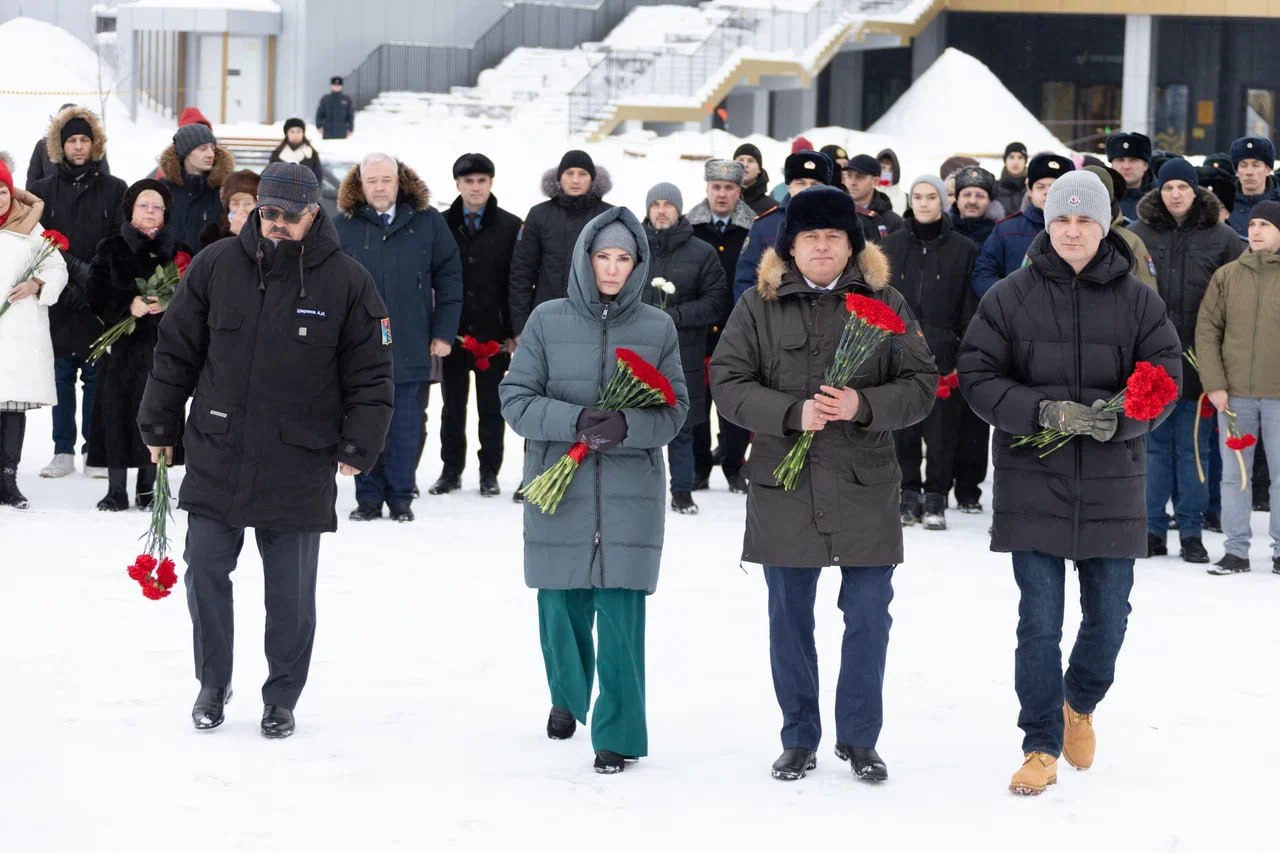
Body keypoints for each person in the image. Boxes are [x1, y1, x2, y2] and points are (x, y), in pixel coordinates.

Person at [137, 162, 392, 738]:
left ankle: (281, 696)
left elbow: (373, 375)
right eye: (268, 213)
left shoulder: (349, 282)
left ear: (314, 215)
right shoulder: (215, 265)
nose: (276, 224)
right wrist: (159, 425)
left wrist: (359, 441)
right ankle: (212, 682)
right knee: (204, 570)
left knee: (291, 594)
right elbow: (175, 352)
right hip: (218, 447)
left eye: (289, 216)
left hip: (299, 457)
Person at [958, 170, 1181, 796]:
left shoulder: (1140, 301)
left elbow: (1164, 374)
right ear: (1047, 223)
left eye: (1085, 220)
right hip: (1035, 481)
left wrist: (1124, 418)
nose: (1073, 230)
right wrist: (1042, 413)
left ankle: (1078, 703)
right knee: (1039, 623)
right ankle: (1039, 744)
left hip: (1115, 482)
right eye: (1063, 219)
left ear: (1105, 225)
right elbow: (976, 374)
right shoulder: (1008, 296)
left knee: (1109, 618)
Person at [710, 184, 935, 782]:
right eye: (810, 237)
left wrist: (863, 403)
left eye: (834, 236)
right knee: (789, 618)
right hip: (785, 487)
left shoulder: (885, 301)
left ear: (851, 244)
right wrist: (790, 413)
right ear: (790, 245)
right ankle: (799, 735)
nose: (822, 247)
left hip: (863, 484)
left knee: (868, 614)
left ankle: (860, 738)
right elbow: (728, 382)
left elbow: (921, 383)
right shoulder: (758, 304)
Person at [499, 207, 688, 775]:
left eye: (623, 257)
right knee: (560, 605)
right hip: (560, 484)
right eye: (602, 256)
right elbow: (516, 399)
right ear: (585, 259)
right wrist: (575, 418)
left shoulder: (658, 328)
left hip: (631, 492)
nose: (612, 267)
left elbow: (676, 411)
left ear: (638, 264)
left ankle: (619, 734)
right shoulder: (545, 320)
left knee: (623, 616)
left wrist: (628, 426)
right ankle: (567, 694)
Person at [336, 153, 462, 521]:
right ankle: (368, 498)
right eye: (371, 181)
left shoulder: (427, 222)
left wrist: (443, 332)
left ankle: (401, 496)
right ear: (360, 185)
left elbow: (450, 278)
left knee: (407, 423)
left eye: (385, 180)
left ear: (399, 181)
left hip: (411, 342)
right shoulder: (342, 226)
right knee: (363, 421)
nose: (379, 187)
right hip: (359, 348)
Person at [1128, 159, 1243, 563]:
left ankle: (1191, 530)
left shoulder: (1223, 237)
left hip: (1201, 360)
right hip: (1153, 360)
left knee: (1194, 449)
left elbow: (1237, 300)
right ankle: (1152, 528)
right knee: (1155, 448)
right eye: (1168, 187)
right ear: (1158, 191)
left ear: (1196, 191)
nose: (1175, 194)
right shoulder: (1137, 234)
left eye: (1183, 186)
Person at [508, 149, 613, 502]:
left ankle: (580, 473)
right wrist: (520, 326)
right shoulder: (539, 216)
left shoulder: (606, 216)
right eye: (570, 173)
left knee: (588, 398)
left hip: (595, 322)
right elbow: (521, 273)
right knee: (541, 401)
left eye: (582, 174)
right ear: (559, 177)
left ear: (592, 179)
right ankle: (533, 474)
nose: (575, 179)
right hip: (547, 323)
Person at [28, 105, 125, 480]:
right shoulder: (41, 192)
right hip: (58, 299)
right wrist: (67, 287)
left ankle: (92, 448)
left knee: (97, 376)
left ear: (95, 144)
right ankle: (62, 449)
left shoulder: (115, 188)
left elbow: (118, 242)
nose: (79, 147)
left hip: (99, 300)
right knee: (61, 376)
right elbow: (39, 245)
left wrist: (95, 285)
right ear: (60, 146)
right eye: (72, 141)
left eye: (85, 140)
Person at [86, 179, 190, 511]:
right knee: (117, 414)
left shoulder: (178, 251)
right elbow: (94, 293)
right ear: (130, 209)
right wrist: (126, 305)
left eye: (156, 206)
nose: (150, 211)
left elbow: (196, 298)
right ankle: (116, 489)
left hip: (161, 349)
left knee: (157, 413)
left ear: (165, 213)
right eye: (143, 205)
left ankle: (148, 486)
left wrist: (170, 303)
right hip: (122, 350)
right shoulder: (111, 247)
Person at [882, 175, 977, 530]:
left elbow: (970, 304)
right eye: (918, 197)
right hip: (899, 346)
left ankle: (936, 493)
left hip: (943, 350)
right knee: (903, 427)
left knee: (941, 430)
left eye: (931, 197)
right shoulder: (890, 246)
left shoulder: (963, 248)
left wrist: (960, 346)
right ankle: (908, 490)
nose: (924, 203)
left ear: (942, 201)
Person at [428, 152, 522, 497]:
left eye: (482, 180)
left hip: (492, 336)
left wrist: (513, 330)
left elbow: (517, 281)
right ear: (457, 184)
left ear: (491, 183)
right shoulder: (439, 224)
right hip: (452, 335)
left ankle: (489, 472)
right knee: (452, 407)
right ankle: (450, 470)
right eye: (468, 181)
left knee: (491, 408)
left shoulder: (511, 226)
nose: (476, 187)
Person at [1196, 200, 1280, 575]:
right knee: (1234, 475)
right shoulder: (1227, 276)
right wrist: (1214, 384)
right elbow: (1207, 331)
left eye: (1266, 224)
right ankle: (1235, 550)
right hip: (1235, 397)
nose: (1257, 230)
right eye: (1254, 223)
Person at [640, 181, 729, 514]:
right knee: (639, 424)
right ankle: (642, 492)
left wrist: (675, 315)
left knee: (682, 426)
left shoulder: (701, 251)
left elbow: (716, 301)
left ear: (679, 210)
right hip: (641, 352)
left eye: (668, 205)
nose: (661, 211)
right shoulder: (634, 249)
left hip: (684, 352)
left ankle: (682, 490)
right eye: (655, 205)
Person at [0, 161, 68, 508]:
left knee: (12, 408)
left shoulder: (29, 227)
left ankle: (9, 479)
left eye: (2, 191)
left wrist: (36, 284)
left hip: (17, 334)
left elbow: (57, 267)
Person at [688, 158, 755, 493]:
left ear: (739, 191)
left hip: (737, 330)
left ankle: (734, 465)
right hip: (699, 331)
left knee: (735, 405)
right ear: (707, 189)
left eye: (729, 188)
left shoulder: (754, 227)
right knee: (698, 404)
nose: (722, 194)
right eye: (716, 187)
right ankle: (700, 466)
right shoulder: (690, 226)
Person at [972, 152, 1074, 298]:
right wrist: (1007, 299)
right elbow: (984, 272)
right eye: (1040, 187)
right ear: (1030, 190)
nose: (1047, 192)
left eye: (1054, 187)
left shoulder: (1080, 231)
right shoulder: (1006, 230)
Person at [733, 152, 831, 301]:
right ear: (789, 187)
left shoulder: (840, 225)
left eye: (815, 185)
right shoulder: (764, 225)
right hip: (776, 316)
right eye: (800, 183)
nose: (807, 189)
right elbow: (744, 279)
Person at [157, 122, 235, 252]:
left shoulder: (225, 190)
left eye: (212, 148)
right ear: (185, 152)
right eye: (203, 148)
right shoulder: (162, 190)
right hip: (172, 269)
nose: (211, 154)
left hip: (212, 268)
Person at [841, 154, 903, 243]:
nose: (852, 182)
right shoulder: (834, 213)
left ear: (875, 182)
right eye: (849, 176)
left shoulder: (892, 222)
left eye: (860, 177)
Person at [1226, 136, 1280, 237]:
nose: (1249, 172)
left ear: (1268, 169)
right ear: (1237, 171)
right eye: (1243, 165)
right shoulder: (1223, 204)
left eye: (1256, 165)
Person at [197, 169, 259, 251]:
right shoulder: (211, 234)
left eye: (247, 203)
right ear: (227, 206)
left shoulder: (265, 232)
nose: (241, 210)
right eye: (235, 204)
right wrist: (232, 234)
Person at [948, 164, 1006, 246]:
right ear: (957, 199)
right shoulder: (943, 232)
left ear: (990, 201)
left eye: (980, 196)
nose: (972, 201)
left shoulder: (1000, 236)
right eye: (967, 195)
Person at [1106, 132, 1153, 222]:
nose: (1126, 166)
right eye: (1120, 160)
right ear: (1112, 165)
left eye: (1133, 160)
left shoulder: (1160, 199)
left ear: (1145, 165)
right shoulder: (1101, 197)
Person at [269, 118, 323, 183]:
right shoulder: (277, 155)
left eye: (299, 131)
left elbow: (318, 179)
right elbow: (270, 178)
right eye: (292, 131)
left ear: (303, 133)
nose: (296, 135)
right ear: (287, 133)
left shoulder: (312, 154)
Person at [734, 143, 774, 216]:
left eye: (750, 161)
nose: (745, 165)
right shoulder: (720, 204)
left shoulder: (772, 209)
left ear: (759, 169)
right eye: (741, 160)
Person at [995, 141, 1029, 214]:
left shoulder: (1032, 189)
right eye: (1011, 157)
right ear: (1005, 160)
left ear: (1025, 161)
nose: (1015, 162)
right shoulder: (994, 188)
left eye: (1020, 157)